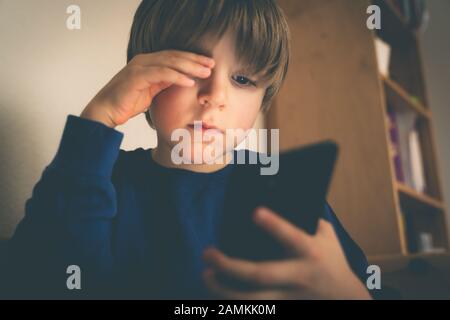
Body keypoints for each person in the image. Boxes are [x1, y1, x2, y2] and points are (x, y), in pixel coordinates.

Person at [3, 0, 372, 299]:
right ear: (142, 75)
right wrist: (98, 118)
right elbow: (35, 278)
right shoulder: (99, 177)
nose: (215, 96)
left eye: (243, 79)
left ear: (264, 99)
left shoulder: (286, 189)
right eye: (193, 67)